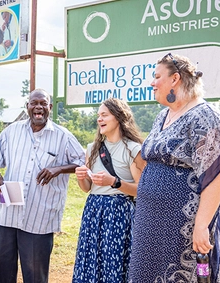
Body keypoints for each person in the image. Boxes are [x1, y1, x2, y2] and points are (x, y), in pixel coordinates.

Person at [128, 53, 220, 282]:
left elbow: (216, 175)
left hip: (181, 227)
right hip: (151, 222)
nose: (152, 83)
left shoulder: (206, 117)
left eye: (157, 76)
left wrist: (201, 225)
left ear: (175, 78)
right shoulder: (162, 116)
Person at [0, 89, 86, 283]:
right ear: (28, 107)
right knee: (2, 265)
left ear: (49, 107)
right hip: (8, 214)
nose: (38, 107)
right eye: (34, 103)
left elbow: (82, 162)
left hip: (39, 218)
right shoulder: (11, 131)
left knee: (35, 274)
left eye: (43, 103)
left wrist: (58, 169)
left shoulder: (63, 136)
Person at [72, 98, 146, 283]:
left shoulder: (133, 149)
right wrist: (81, 177)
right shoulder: (93, 148)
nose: (99, 119)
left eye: (104, 115)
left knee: (114, 263)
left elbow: (142, 191)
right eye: (98, 115)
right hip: (93, 212)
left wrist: (114, 182)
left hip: (119, 214)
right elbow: (87, 188)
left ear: (119, 117)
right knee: (91, 261)